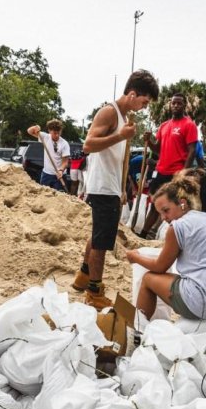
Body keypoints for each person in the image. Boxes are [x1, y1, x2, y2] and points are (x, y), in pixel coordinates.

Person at [72, 69, 159, 308]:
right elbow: (88, 145)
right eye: (143, 101)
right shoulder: (110, 112)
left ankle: (83, 275)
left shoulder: (123, 116)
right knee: (102, 243)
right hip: (101, 187)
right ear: (132, 94)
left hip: (110, 186)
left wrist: (122, 189)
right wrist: (120, 136)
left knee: (98, 234)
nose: (144, 106)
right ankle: (94, 291)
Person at [126, 176, 206, 321]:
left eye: (166, 210)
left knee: (148, 279)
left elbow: (159, 267)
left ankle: (138, 329)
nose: (163, 218)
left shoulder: (178, 226)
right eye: (160, 213)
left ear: (182, 203)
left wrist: (135, 257)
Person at [138, 93, 198, 238]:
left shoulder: (189, 125)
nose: (176, 105)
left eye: (179, 103)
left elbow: (192, 151)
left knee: (180, 204)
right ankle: (143, 233)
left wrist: (185, 172)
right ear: (170, 105)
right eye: (173, 103)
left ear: (184, 105)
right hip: (161, 171)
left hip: (176, 173)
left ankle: (179, 235)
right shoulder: (164, 126)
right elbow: (158, 149)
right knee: (155, 203)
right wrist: (149, 141)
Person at [27, 119, 70, 192]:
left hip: (59, 175)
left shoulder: (64, 144)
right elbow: (29, 131)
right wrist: (35, 127)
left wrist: (61, 170)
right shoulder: (45, 137)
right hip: (46, 174)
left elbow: (65, 162)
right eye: (55, 133)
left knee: (59, 197)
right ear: (49, 131)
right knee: (43, 194)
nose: (57, 135)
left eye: (59, 133)